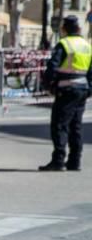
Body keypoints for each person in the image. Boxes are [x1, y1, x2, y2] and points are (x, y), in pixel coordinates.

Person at [40, 14, 89, 171]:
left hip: (66, 89)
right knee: (76, 126)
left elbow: (53, 67)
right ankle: (75, 161)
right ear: (79, 29)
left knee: (60, 125)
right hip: (82, 89)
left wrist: (48, 85)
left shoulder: (64, 44)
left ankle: (58, 160)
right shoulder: (87, 45)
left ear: (64, 29)